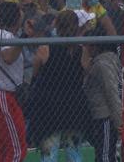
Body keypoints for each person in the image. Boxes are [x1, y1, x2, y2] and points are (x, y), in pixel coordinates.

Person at [27, 10, 88, 162]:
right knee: (74, 153)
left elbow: (34, 74)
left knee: (49, 153)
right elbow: (85, 73)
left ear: (56, 25)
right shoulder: (81, 50)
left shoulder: (45, 48)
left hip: (49, 106)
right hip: (74, 104)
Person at [81, 25, 123, 162]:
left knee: (105, 155)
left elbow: (111, 91)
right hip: (100, 115)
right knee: (103, 153)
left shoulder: (104, 63)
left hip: (106, 116)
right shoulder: (98, 62)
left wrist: (118, 121)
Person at [0, 2, 27, 162]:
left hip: (4, 95)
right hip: (4, 95)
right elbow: (8, 57)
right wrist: (24, 38)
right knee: (17, 149)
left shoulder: (2, 35)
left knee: (2, 148)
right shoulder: (3, 35)